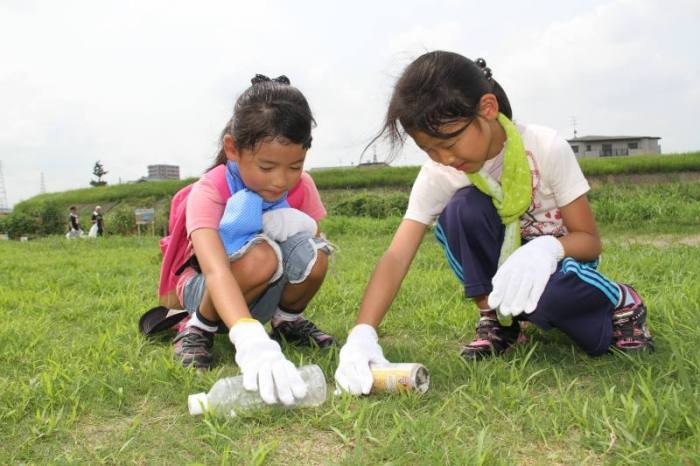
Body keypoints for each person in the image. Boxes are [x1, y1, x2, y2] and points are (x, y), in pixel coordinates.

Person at [335, 51, 654, 395]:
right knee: (461, 209)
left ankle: (623, 303)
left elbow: (589, 240)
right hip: (507, 263)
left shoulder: (545, 147)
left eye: (450, 143)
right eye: (430, 150)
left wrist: (547, 248)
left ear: (487, 109)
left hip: (564, 262)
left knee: (563, 312)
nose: (445, 159)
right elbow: (396, 256)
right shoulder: (440, 175)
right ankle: (499, 321)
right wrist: (362, 333)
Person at [173, 74, 335, 406]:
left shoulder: (302, 185)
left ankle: (286, 322)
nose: (280, 181)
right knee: (263, 256)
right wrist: (248, 338)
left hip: (262, 290)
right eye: (266, 166)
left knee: (316, 256)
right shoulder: (211, 189)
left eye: (295, 166)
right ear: (233, 149)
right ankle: (198, 329)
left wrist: (297, 223)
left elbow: (314, 239)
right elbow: (216, 271)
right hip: (206, 288)